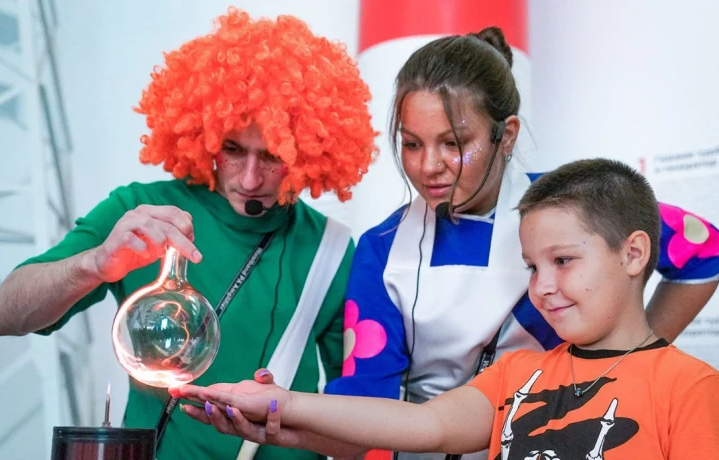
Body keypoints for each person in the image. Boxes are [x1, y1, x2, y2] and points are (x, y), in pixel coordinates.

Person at [0, 8, 376, 460]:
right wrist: (94, 263)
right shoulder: (140, 212)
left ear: (308, 150)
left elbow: (359, 434)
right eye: (232, 149)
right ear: (205, 133)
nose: (250, 178)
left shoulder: (331, 250)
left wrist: (289, 424)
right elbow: (5, 315)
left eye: (272, 156)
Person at [319, 28, 719, 459]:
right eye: (412, 144)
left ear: (506, 134)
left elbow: (704, 249)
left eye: (453, 143)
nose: (428, 166)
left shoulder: (569, 208)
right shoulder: (382, 248)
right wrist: (283, 413)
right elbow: (365, 410)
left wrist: (628, 360)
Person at [172, 158, 719, 459]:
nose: (543, 287)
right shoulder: (518, 374)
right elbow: (424, 423)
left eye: (563, 261)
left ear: (634, 253)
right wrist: (283, 406)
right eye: (531, 267)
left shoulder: (691, 389)